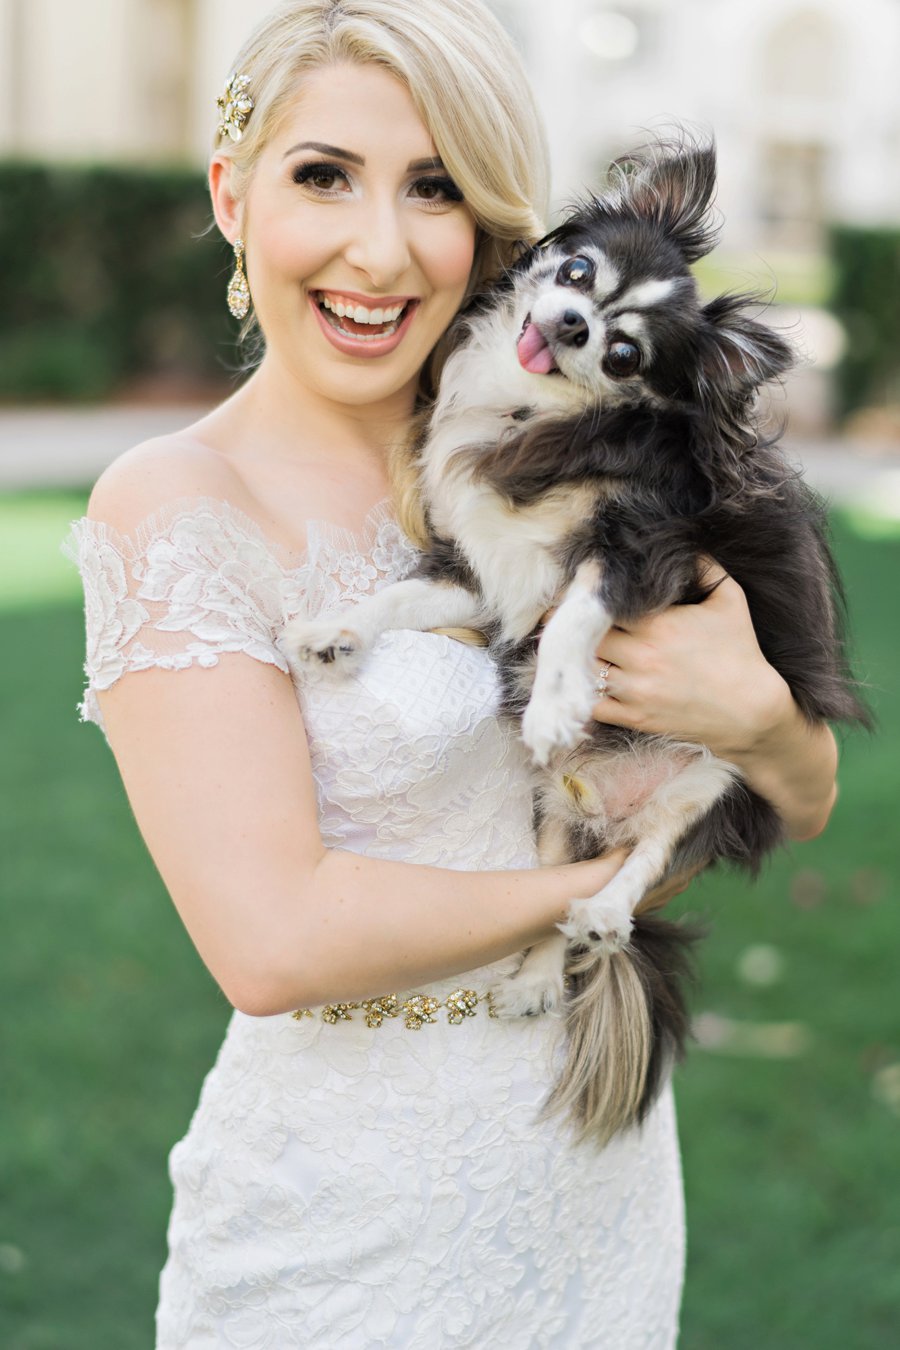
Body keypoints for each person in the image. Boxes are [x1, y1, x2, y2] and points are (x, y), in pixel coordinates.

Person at [62, 1, 840, 1345]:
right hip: (348, 1223)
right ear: (231, 194)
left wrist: (758, 717)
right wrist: (603, 889)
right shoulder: (174, 503)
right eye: (324, 176)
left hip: (595, 1186)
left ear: (489, 218)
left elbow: (797, 786)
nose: (381, 246)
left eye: (433, 186)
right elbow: (274, 940)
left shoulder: (568, 445)